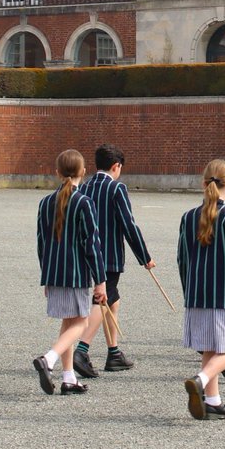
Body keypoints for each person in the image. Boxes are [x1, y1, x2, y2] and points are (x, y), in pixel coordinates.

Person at [178, 158, 225, 420]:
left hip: (197, 291)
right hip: (224, 293)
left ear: (204, 183)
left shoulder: (189, 217)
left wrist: (188, 289)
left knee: (210, 347)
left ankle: (213, 399)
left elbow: (183, 259)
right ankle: (201, 379)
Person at [73, 144, 155, 378]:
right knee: (103, 298)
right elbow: (128, 225)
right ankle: (82, 348)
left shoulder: (86, 187)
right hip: (108, 255)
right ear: (116, 166)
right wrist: (145, 257)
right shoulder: (116, 188)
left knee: (113, 301)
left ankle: (113, 352)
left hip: (87, 253)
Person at [32, 149, 108, 396]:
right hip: (75, 273)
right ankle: (49, 358)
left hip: (54, 271)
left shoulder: (45, 202)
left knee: (68, 322)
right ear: (83, 172)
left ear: (57, 172)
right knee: (81, 322)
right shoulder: (84, 202)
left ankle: (68, 378)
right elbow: (92, 244)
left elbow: (41, 244)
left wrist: (46, 275)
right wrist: (101, 280)